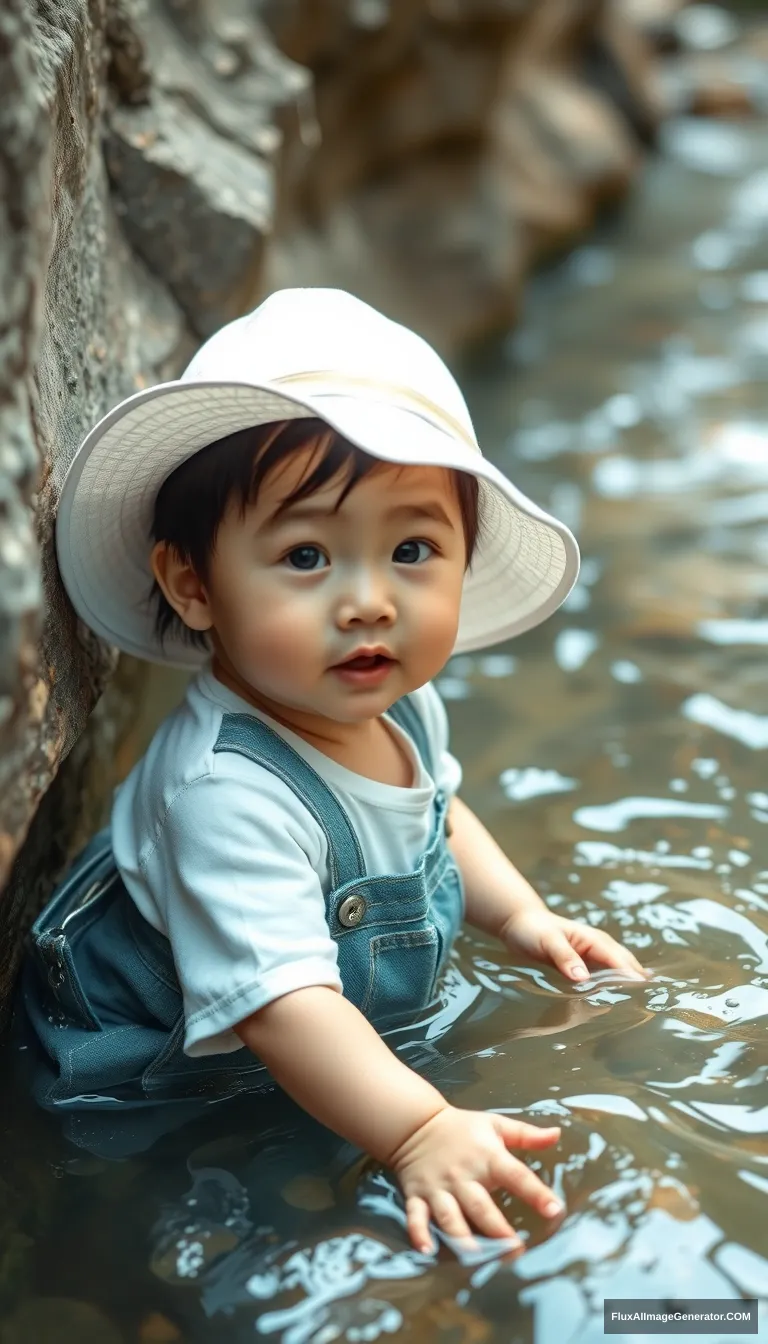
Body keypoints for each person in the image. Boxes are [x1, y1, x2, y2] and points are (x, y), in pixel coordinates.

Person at [19, 288, 646, 1255]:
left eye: (411, 550)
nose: (368, 603)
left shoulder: (393, 703)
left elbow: (437, 811)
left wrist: (523, 916)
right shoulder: (225, 793)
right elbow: (286, 1008)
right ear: (194, 585)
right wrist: (420, 1128)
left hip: (299, 1037)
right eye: (307, 554)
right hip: (161, 1080)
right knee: (220, 1233)